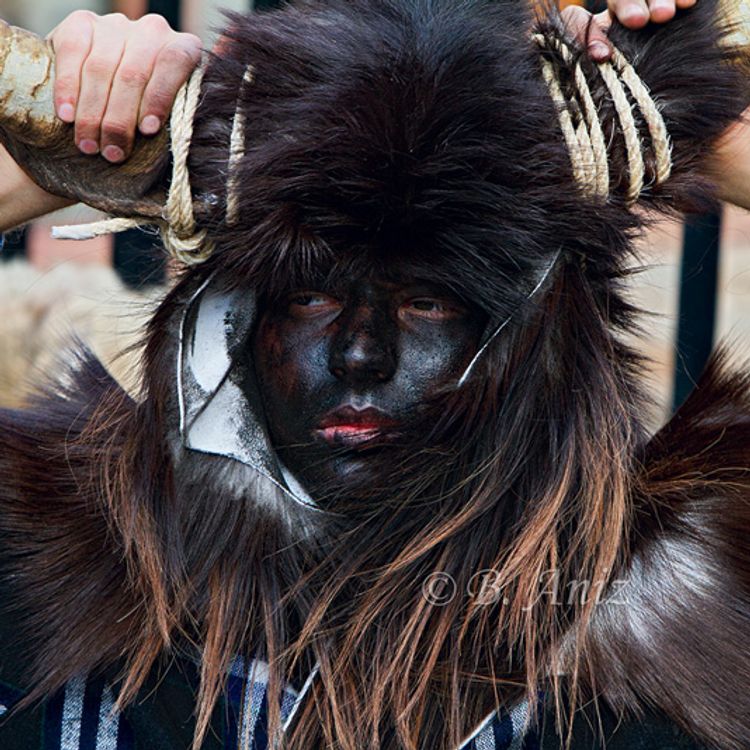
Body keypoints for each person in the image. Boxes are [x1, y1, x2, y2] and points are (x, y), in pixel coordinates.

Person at [0, 1, 749, 749]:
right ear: (233, 322)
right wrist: (50, 146)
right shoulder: (57, 552)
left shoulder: (688, 595)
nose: (361, 355)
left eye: (427, 303)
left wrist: (696, 122)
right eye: (310, 295)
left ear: (538, 326)